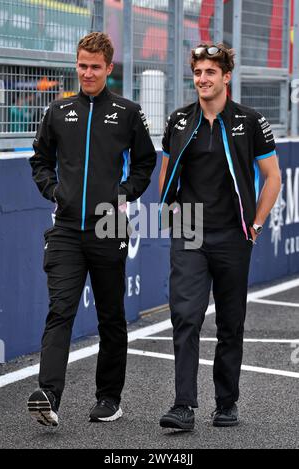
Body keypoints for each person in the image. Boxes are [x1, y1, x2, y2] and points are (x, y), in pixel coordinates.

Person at [27, 32, 156, 426]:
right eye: (82, 65)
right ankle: (48, 395)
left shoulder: (128, 112)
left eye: (94, 67)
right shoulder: (58, 111)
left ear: (109, 68)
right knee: (60, 311)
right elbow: (40, 160)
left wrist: (123, 192)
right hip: (65, 229)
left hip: (107, 226)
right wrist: (54, 191)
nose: (86, 72)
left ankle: (108, 398)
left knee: (111, 317)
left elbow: (145, 163)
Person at [158, 44, 281, 430]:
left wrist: (256, 224)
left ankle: (226, 403)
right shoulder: (179, 120)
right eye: (197, 72)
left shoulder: (249, 120)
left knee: (231, 322)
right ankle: (183, 406)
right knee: (185, 316)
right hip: (189, 230)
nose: (202, 79)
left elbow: (272, 177)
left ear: (226, 77)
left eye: (210, 72)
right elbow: (166, 171)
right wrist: (170, 212)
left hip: (233, 234)